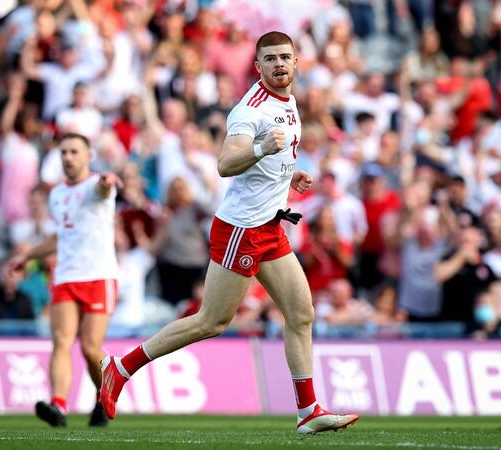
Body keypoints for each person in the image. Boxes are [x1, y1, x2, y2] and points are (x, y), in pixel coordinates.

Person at [98, 32, 358, 435]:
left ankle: (308, 410)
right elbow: (225, 163)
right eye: (270, 58)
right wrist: (260, 150)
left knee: (301, 314)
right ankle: (121, 368)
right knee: (211, 321)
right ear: (257, 66)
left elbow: (273, 158)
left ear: (296, 61)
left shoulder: (288, 101)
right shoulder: (249, 110)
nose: (279, 64)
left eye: (285, 57)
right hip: (242, 229)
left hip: (270, 225)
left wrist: (290, 174)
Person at [8, 132, 121, 428]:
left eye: (74, 152)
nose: (68, 157)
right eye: (64, 152)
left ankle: (103, 397)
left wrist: (107, 181)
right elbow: (61, 235)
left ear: (88, 156)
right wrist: (27, 256)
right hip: (66, 275)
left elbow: (103, 190)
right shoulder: (57, 194)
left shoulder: (96, 185)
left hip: (99, 275)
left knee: (90, 347)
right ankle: (58, 405)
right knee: (61, 340)